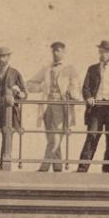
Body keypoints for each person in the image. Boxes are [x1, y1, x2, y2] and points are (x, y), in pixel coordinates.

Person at [26, 42, 80, 172]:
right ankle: (57, 168)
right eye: (53, 51)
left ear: (64, 52)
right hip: (47, 106)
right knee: (52, 137)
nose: (55, 53)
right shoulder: (46, 68)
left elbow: (75, 87)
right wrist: (42, 88)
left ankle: (44, 168)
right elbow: (30, 84)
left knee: (55, 138)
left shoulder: (70, 69)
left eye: (58, 50)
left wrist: (71, 92)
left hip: (61, 106)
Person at [78, 40, 109, 173]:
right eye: (101, 52)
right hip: (97, 107)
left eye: (105, 52)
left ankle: (107, 169)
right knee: (92, 135)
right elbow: (86, 88)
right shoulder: (92, 69)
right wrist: (88, 97)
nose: (102, 54)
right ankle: (82, 168)